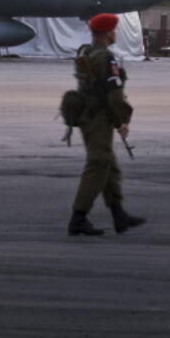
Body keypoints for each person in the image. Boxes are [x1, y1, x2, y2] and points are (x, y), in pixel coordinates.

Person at [68, 13, 145, 236]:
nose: (116, 33)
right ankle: (78, 217)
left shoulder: (87, 51)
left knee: (109, 165)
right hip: (98, 117)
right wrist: (123, 120)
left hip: (87, 115)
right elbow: (114, 95)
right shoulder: (105, 58)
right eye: (114, 29)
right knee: (99, 163)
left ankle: (118, 215)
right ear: (106, 33)